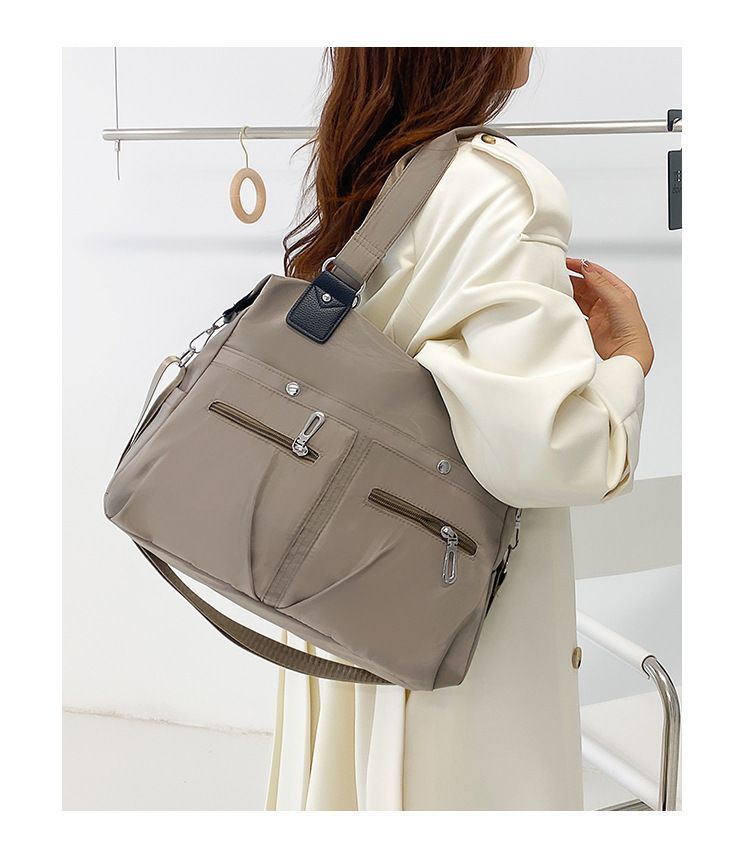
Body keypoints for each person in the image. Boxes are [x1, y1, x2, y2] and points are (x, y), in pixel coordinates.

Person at [264, 47, 654, 811]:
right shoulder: (499, 190)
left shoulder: (375, 168)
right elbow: (550, 451)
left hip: (340, 586)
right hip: (452, 606)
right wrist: (626, 362)